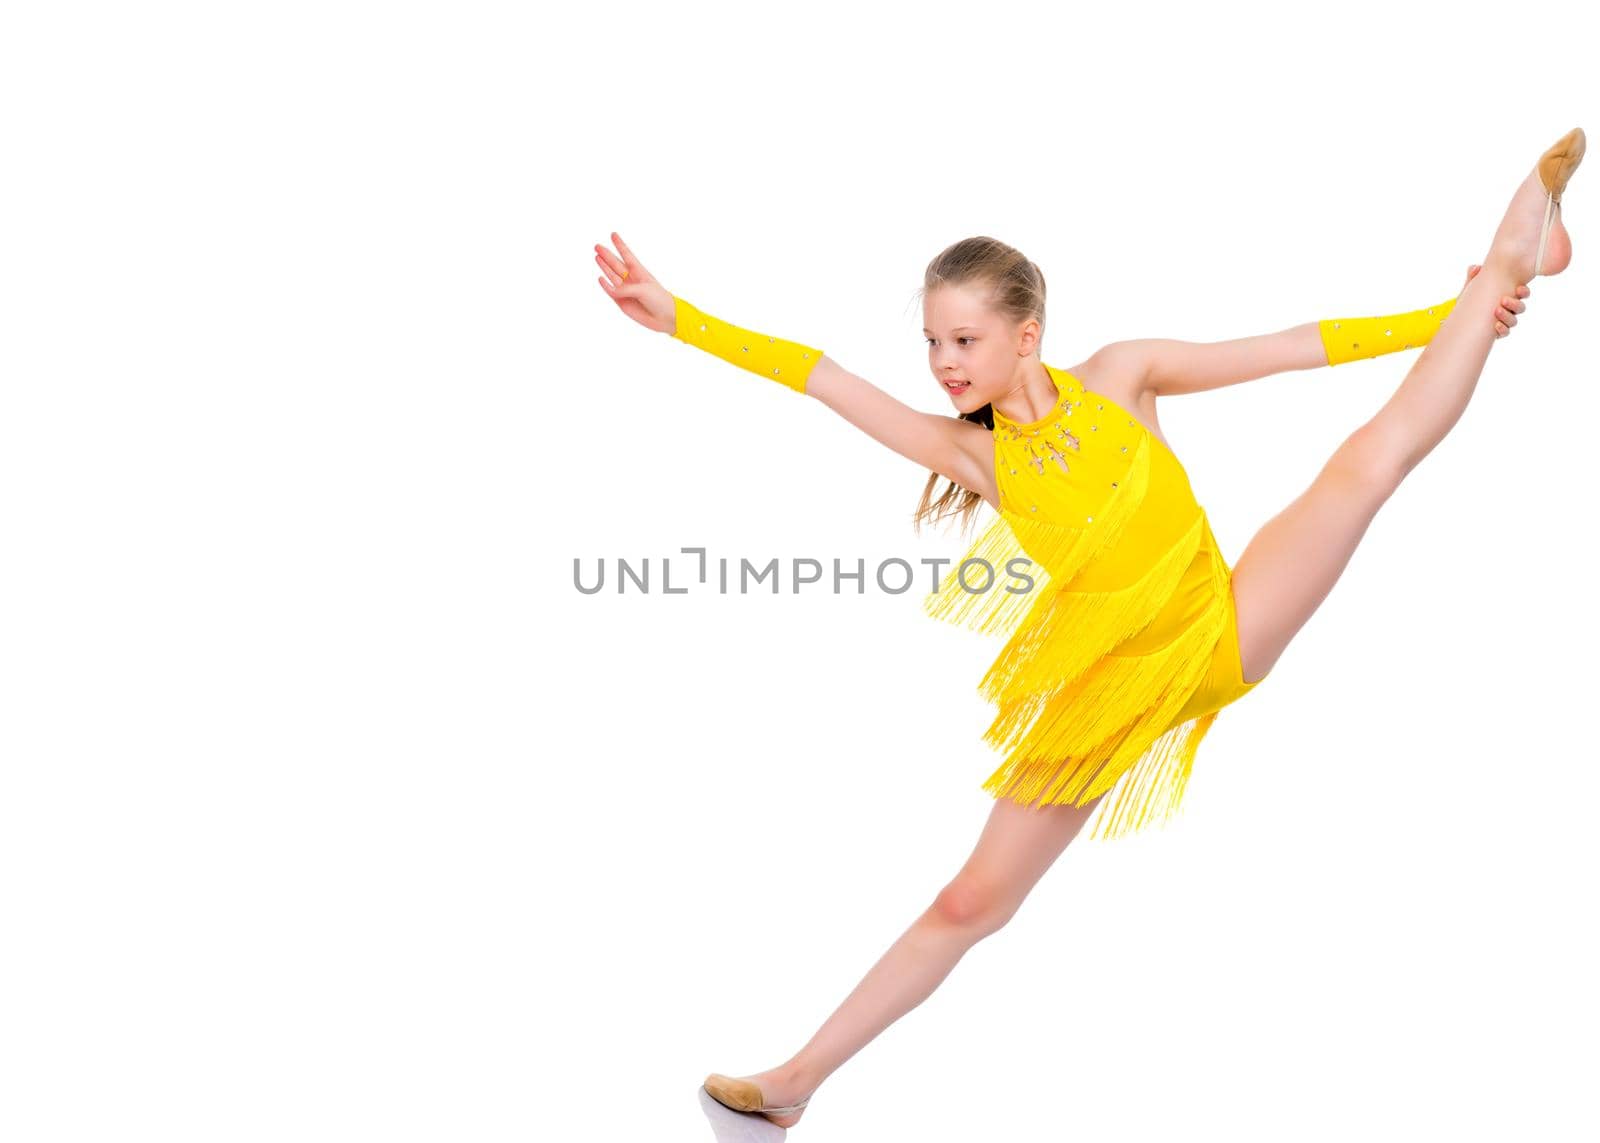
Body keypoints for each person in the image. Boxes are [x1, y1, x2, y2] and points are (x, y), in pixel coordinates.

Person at [593, 126, 1584, 1130]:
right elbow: (821, 376)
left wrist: (1457, 313)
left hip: (1218, 629)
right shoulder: (972, 456)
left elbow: (1297, 346)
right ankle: (793, 1086)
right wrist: (681, 320)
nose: (942, 363)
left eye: (963, 340)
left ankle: (1511, 259)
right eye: (932, 342)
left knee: (1367, 463)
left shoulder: (1123, 373)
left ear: (1025, 335)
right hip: (1099, 693)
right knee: (969, 904)